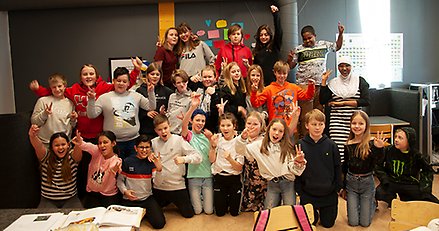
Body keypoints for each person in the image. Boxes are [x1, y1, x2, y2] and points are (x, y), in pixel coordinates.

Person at [30, 59, 142, 199]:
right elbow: (56, 91)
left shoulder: (104, 88)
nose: (88, 76)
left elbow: (123, 84)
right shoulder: (73, 90)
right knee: (83, 169)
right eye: (85, 74)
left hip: (99, 137)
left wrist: (136, 71)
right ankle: (85, 197)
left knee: (104, 169)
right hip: (81, 137)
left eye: (91, 73)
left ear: (96, 76)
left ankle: (110, 194)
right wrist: (38, 90)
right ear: (80, 77)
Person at [287, 23, 345, 137]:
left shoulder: (323, 45)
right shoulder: (298, 50)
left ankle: (318, 137)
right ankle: (305, 139)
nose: (307, 41)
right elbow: (291, 66)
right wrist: (289, 59)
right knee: (305, 115)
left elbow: (337, 46)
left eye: (310, 38)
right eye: (305, 39)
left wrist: (341, 34)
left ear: (315, 36)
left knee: (318, 113)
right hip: (303, 86)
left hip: (319, 85)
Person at [86, 67, 156, 159]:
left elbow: (151, 107)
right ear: (113, 81)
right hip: (113, 143)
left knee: (132, 171)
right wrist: (91, 100)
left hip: (134, 141)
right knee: (115, 171)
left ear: (128, 83)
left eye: (124, 81)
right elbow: (92, 115)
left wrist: (151, 92)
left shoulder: (136, 96)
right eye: (118, 81)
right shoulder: (104, 98)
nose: (121, 84)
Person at [243, 118, 306, 209]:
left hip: (288, 183)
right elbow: (242, 150)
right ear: (269, 129)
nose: (276, 133)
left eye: (280, 131)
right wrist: (242, 138)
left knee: (290, 212)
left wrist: (299, 162)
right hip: (272, 184)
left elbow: (295, 170)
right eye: (274, 129)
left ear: (284, 134)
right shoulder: (258, 146)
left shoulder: (287, 148)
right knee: (268, 212)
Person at [296, 109, 342, 228]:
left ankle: (324, 212)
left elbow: (337, 167)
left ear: (325, 125)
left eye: (321, 124)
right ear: (307, 125)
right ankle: (314, 213)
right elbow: (296, 170)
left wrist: (337, 188)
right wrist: (300, 191)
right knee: (310, 224)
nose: (317, 128)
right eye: (314, 124)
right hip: (308, 193)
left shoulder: (332, 145)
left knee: (328, 224)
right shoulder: (300, 145)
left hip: (328, 193)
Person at [320, 56, 370, 161]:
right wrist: (324, 81)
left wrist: (343, 103)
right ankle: (340, 173)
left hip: (355, 122)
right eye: (341, 66)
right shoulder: (333, 83)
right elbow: (323, 100)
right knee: (339, 151)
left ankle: (352, 173)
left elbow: (366, 101)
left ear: (351, 66)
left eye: (347, 65)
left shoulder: (359, 81)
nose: (344, 68)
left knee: (354, 149)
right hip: (337, 122)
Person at [151, 114, 202, 218]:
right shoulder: (153, 143)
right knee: (152, 215)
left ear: (169, 126)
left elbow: (198, 157)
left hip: (177, 186)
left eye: (165, 128)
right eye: (160, 130)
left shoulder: (178, 140)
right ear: (155, 130)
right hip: (159, 186)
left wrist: (184, 159)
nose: (164, 132)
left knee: (188, 215)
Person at [342, 111, 386, 227]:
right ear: (350, 125)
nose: (357, 126)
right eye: (354, 123)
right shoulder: (348, 144)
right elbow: (345, 166)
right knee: (353, 222)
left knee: (365, 223)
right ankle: (362, 205)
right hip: (351, 183)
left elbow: (379, 162)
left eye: (361, 123)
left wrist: (379, 149)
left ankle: (373, 203)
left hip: (367, 183)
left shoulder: (372, 143)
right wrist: (342, 187)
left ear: (366, 125)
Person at [375, 127, 439, 207]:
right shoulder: (388, 150)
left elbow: (427, 170)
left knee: (429, 200)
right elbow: (378, 165)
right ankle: (390, 200)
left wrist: (424, 188)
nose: (396, 140)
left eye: (400, 138)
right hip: (391, 181)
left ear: (409, 141)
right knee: (378, 192)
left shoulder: (416, 155)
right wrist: (384, 179)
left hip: (409, 183)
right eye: (396, 137)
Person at [117, 135, 166, 229]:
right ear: (135, 148)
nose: (144, 150)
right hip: (129, 200)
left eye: (147, 147)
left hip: (146, 199)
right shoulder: (127, 161)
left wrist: (159, 169)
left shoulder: (152, 162)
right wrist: (125, 191)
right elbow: (120, 181)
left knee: (159, 224)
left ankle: (143, 212)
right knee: (124, 225)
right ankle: (140, 213)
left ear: (150, 149)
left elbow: (157, 183)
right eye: (141, 147)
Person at [28, 125, 83, 208]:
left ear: (68, 145)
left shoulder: (72, 157)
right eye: (57, 145)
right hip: (48, 200)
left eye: (63, 144)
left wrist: (79, 144)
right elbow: (38, 146)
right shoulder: (46, 157)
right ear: (52, 147)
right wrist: (32, 136)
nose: (60, 148)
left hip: (70, 199)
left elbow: (78, 153)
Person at [250, 60, 314, 126]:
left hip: (291, 126)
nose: (282, 76)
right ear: (275, 73)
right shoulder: (268, 89)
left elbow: (308, 96)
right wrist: (254, 92)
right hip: (275, 126)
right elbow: (256, 103)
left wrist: (311, 86)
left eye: (284, 73)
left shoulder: (294, 87)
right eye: (279, 73)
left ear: (288, 73)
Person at [181, 94, 214, 215]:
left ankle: (204, 199)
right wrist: (192, 107)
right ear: (192, 120)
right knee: (197, 211)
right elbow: (184, 125)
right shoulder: (189, 135)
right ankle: (198, 200)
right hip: (193, 177)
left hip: (207, 177)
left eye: (203, 121)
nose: (200, 123)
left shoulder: (208, 135)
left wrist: (211, 140)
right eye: (197, 120)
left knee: (209, 211)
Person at [72, 130, 122, 208]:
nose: (102, 145)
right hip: (92, 194)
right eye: (99, 143)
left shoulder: (117, 161)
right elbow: (86, 145)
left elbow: (111, 172)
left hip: (109, 197)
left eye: (105, 142)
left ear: (113, 143)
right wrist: (80, 142)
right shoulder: (97, 152)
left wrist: (113, 170)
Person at [209, 113, 244, 216]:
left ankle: (231, 199)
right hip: (220, 178)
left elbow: (239, 167)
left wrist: (229, 159)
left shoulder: (239, 141)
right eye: (222, 125)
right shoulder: (217, 138)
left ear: (234, 126)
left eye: (228, 125)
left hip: (234, 178)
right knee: (219, 213)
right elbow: (211, 160)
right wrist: (213, 147)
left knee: (234, 213)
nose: (225, 128)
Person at [31, 73, 77, 146]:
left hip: (64, 144)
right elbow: (34, 122)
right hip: (46, 143)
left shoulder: (70, 103)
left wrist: (73, 119)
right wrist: (45, 113)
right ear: (50, 88)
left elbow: (73, 125)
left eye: (59, 86)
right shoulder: (43, 101)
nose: (57, 89)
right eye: (54, 87)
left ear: (64, 86)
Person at [234, 112, 267, 211]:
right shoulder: (242, 138)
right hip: (249, 180)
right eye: (249, 123)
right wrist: (243, 138)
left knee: (266, 208)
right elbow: (239, 151)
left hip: (264, 181)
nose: (251, 127)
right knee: (246, 207)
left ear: (261, 126)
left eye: (255, 124)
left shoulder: (265, 140)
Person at [136, 63, 173, 138]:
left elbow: (172, 110)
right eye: (152, 74)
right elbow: (135, 111)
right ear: (147, 75)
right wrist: (146, 113)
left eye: (157, 74)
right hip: (146, 130)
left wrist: (165, 113)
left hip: (162, 131)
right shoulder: (140, 90)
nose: (155, 77)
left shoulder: (167, 91)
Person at [253, 5, 282, 86]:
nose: (263, 37)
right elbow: (255, 68)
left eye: (266, 35)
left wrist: (276, 15)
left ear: (270, 36)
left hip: (274, 83)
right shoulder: (256, 51)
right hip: (261, 84)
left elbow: (279, 31)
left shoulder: (274, 46)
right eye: (261, 35)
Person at [161, 69, 192, 134]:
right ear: (174, 84)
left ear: (187, 82)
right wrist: (163, 114)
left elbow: (192, 119)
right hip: (170, 132)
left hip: (182, 133)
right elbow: (169, 113)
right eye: (178, 82)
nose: (182, 85)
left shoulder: (191, 98)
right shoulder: (172, 96)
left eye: (184, 82)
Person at [219, 62, 247, 131]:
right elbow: (225, 107)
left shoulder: (242, 87)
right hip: (231, 121)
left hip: (241, 120)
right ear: (228, 74)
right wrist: (238, 109)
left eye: (238, 71)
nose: (237, 73)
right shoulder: (225, 89)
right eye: (233, 72)